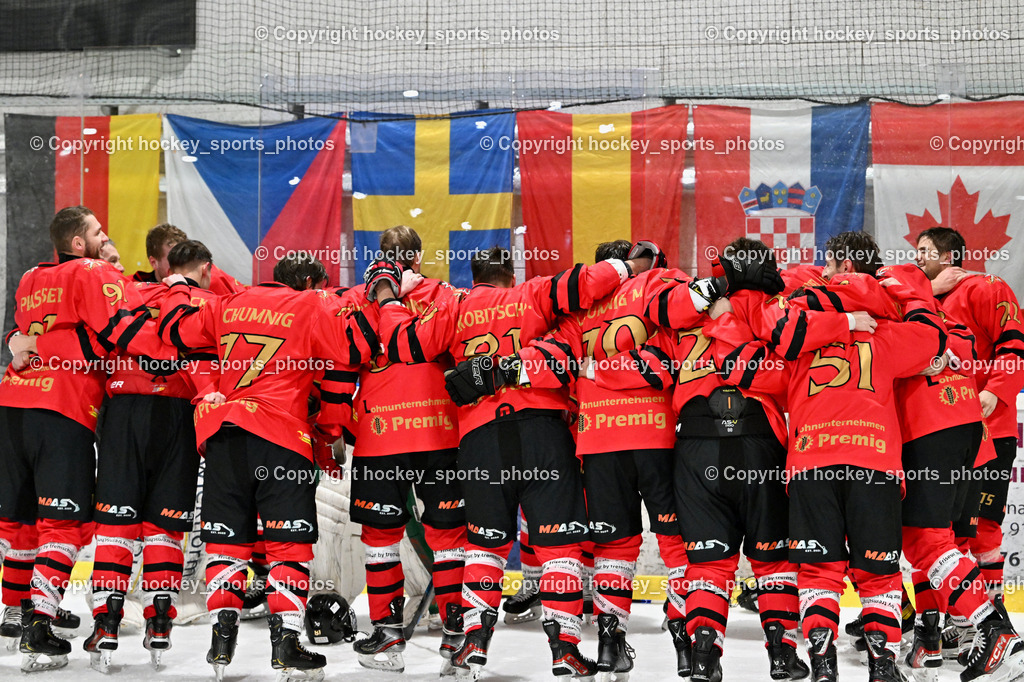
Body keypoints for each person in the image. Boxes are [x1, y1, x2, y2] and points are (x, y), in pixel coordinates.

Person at [368, 246, 653, 679]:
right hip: (541, 432)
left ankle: (471, 647)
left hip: (480, 439)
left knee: (485, 545)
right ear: (511, 272)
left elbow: (404, 343)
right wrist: (629, 266)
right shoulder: (534, 294)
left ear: (473, 273)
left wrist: (387, 297)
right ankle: (566, 650)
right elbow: (586, 283)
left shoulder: (453, 307)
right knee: (560, 547)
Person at [157, 252, 374, 681]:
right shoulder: (312, 304)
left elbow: (177, 331)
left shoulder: (228, 303)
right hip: (281, 438)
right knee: (286, 548)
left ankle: (222, 638)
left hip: (224, 438)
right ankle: (287, 646)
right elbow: (357, 348)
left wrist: (178, 287)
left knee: (227, 544)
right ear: (311, 281)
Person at [1, 206, 172, 672]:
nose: (105, 237)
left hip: (12, 406)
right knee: (65, 528)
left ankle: (15, 616)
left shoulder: (31, 276)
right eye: (98, 232)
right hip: (64, 410)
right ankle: (39, 628)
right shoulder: (92, 271)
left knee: (19, 525)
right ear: (80, 243)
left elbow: (17, 336)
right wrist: (169, 353)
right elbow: (119, 333)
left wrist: (30, 347)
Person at [332, 226, 468, 675]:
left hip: (379, 436)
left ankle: (387, 638)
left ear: (380, 255)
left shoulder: (354, 299)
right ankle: (456, 638)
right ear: (420, 254)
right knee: (449, 536)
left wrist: (333, 428)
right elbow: (459, 355)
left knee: (380, 539)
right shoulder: (446, 294)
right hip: (440, 432)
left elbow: (339, 365)